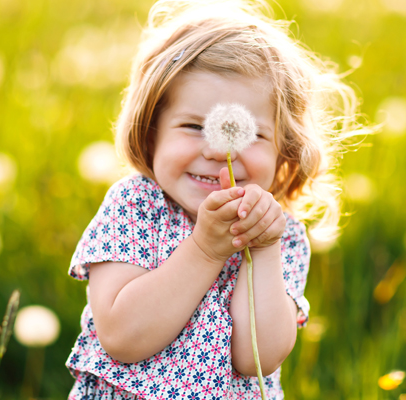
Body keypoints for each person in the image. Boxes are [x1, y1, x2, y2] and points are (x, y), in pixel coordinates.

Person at [65, 0, 364, 398]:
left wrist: (261, 250)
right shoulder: (135, 206)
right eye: (192, 126)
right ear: (151, 131)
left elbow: (258, 358)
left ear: (284, 151)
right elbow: (121, 336)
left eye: (248, 133)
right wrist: (205, 251)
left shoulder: (279, 233)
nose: (215, 150)